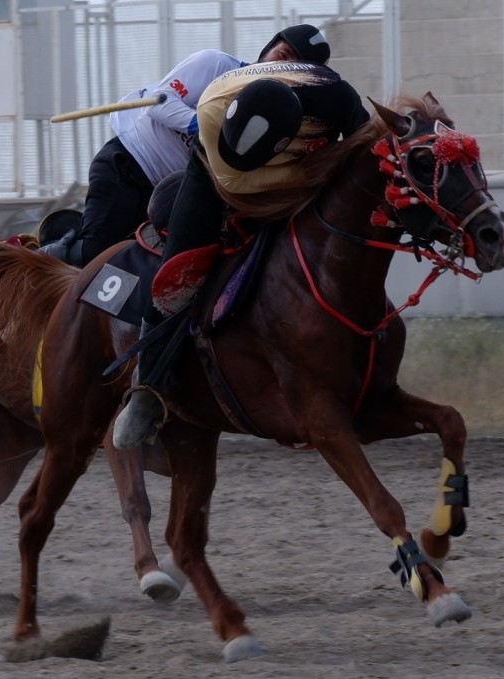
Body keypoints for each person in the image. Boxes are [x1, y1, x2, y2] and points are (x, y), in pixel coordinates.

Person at [112, 24, 372, 450]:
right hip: (212, 175)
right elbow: (224, 169)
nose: (284, 59)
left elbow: (365, 146)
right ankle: (147, 390)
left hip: (291, 179)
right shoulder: (216, 98)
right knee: (177, 276)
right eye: (282, 51)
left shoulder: (337, 98)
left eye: (292, 57)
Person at [38, 27, 322, 266]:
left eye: (293, 67)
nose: (280, 67)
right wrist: (204, 126)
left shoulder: (285, 120)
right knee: (95, 253)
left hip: (170, 197)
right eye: (282, 55)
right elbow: (158, 102)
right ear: (268, 47)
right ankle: (34, 259)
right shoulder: (216, 64)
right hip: (128, 164)